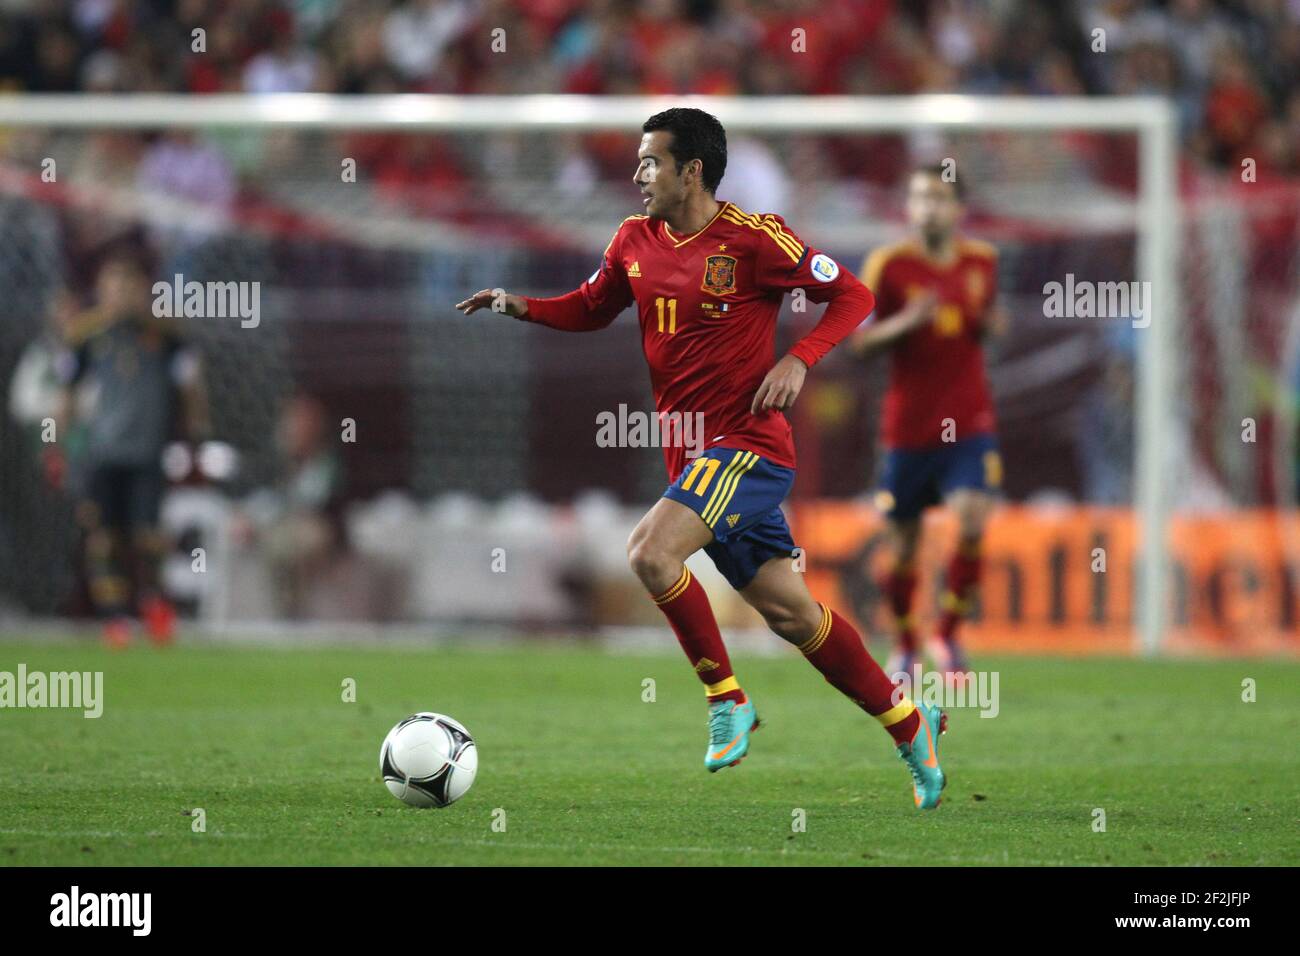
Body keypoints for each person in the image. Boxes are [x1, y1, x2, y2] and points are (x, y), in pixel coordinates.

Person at [457, 108, 947, 809]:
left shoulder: (754, 240)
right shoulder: (633, 239)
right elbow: (592, 308)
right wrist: (518, 305)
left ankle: (727, 698)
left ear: (692, 170)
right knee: (793, 616)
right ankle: (909, 722)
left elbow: (854, 294)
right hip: (694, 464)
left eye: (650, 161)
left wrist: (802, 360)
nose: (637, 174)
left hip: (749, 450)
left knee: (651, 553)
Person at [852, 164, 1006, 681]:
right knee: (904, 545)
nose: (927, 208)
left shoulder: (983, 261)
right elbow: (859, 342)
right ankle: (905, 646)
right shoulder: (889, 265)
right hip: (908, 429)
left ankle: (949, 636)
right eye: (919, 197)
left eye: (938, 198)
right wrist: (905, 322)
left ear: (959, 209)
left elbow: (989, 323)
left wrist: (990, 325)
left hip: (969, 421)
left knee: (971, 518)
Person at [59, 253, 210, 646]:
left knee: (148, 537)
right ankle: (114, 619)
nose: (122, 295)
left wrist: (194, 438)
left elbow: (191, 389)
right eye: (114, 287)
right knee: (102, 536)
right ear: (102, 292)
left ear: (143, 292)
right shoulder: (86, 337)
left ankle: (153, 604)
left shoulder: (167, 337)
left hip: (146, 453)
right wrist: (58, 444)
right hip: (100, 453)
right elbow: (66, 394)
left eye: (130, 287)